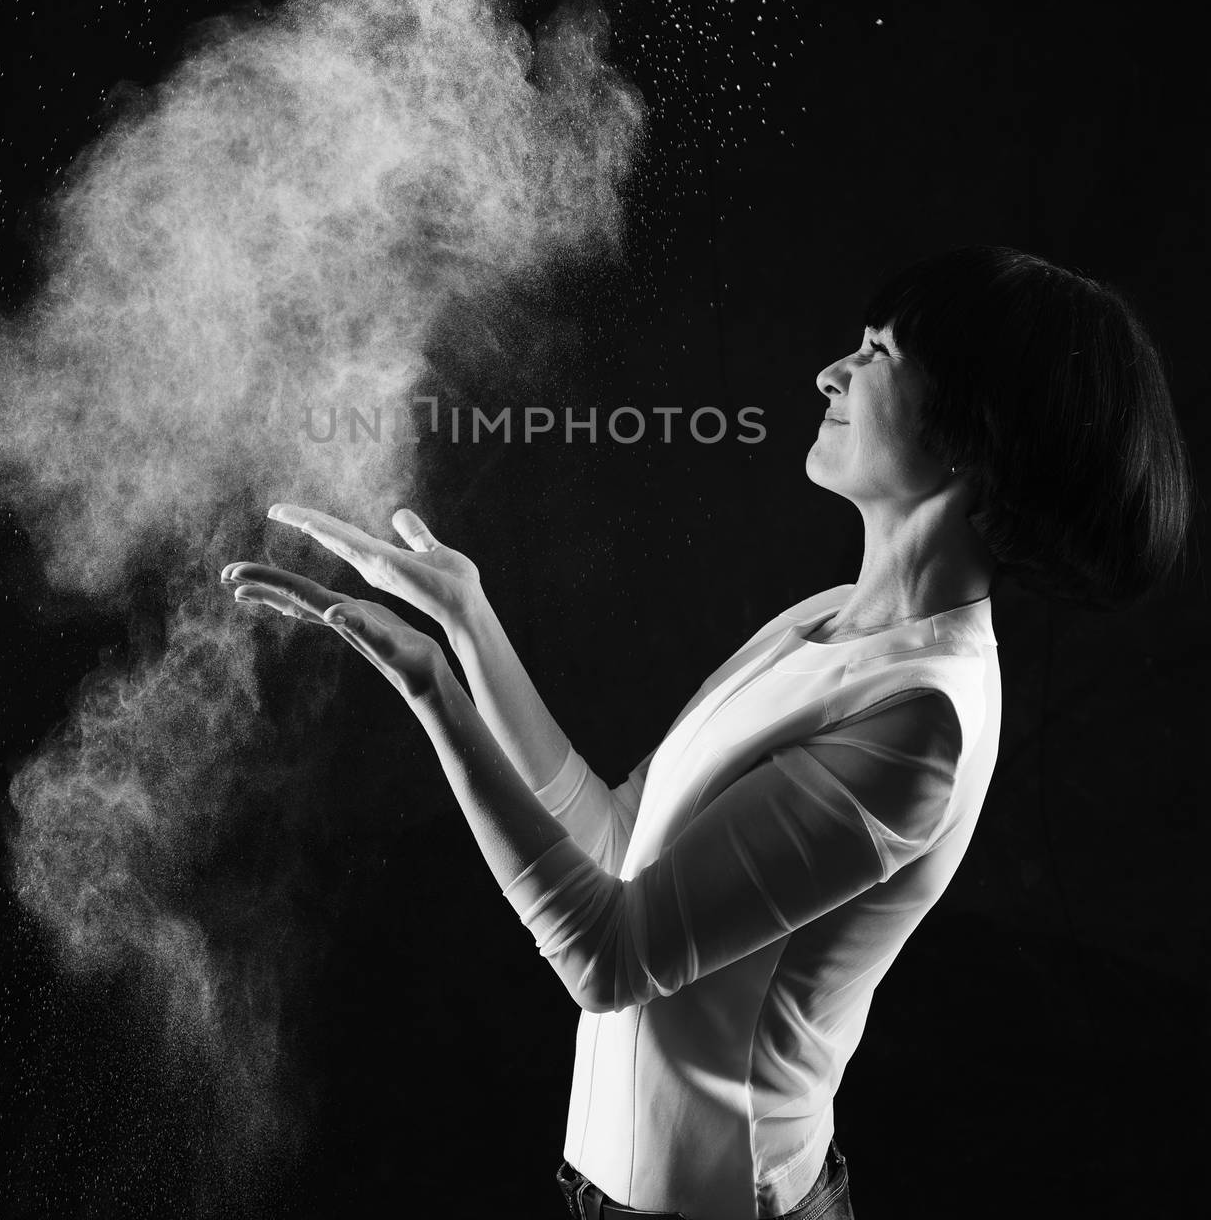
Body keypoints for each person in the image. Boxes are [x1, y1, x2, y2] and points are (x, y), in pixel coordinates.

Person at [221, 244, 1192, 1219]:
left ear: (972, 436)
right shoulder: (826, 620)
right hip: (609, 1191)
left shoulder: (920, 718)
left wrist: (429, 687)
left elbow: (609, 960)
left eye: (877, 352)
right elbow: (615, 841)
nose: (829, 372)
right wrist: (470, 628)